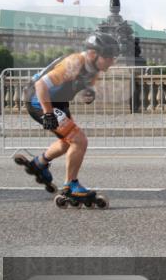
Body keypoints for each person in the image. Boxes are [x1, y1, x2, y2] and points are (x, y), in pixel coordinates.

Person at [12, 32, 120, 208]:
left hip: (58, 102)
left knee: (68, 141)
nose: (112, 62)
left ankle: (39, 163)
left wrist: (89, 95)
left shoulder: (95, 69)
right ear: (93, 54)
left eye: (114, 57)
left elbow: (86, 88)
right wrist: (48, 114)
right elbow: (41, 86)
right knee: (79, 140)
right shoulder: (74, 63)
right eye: (108, 57)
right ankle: (71, 186)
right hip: (39, 100)